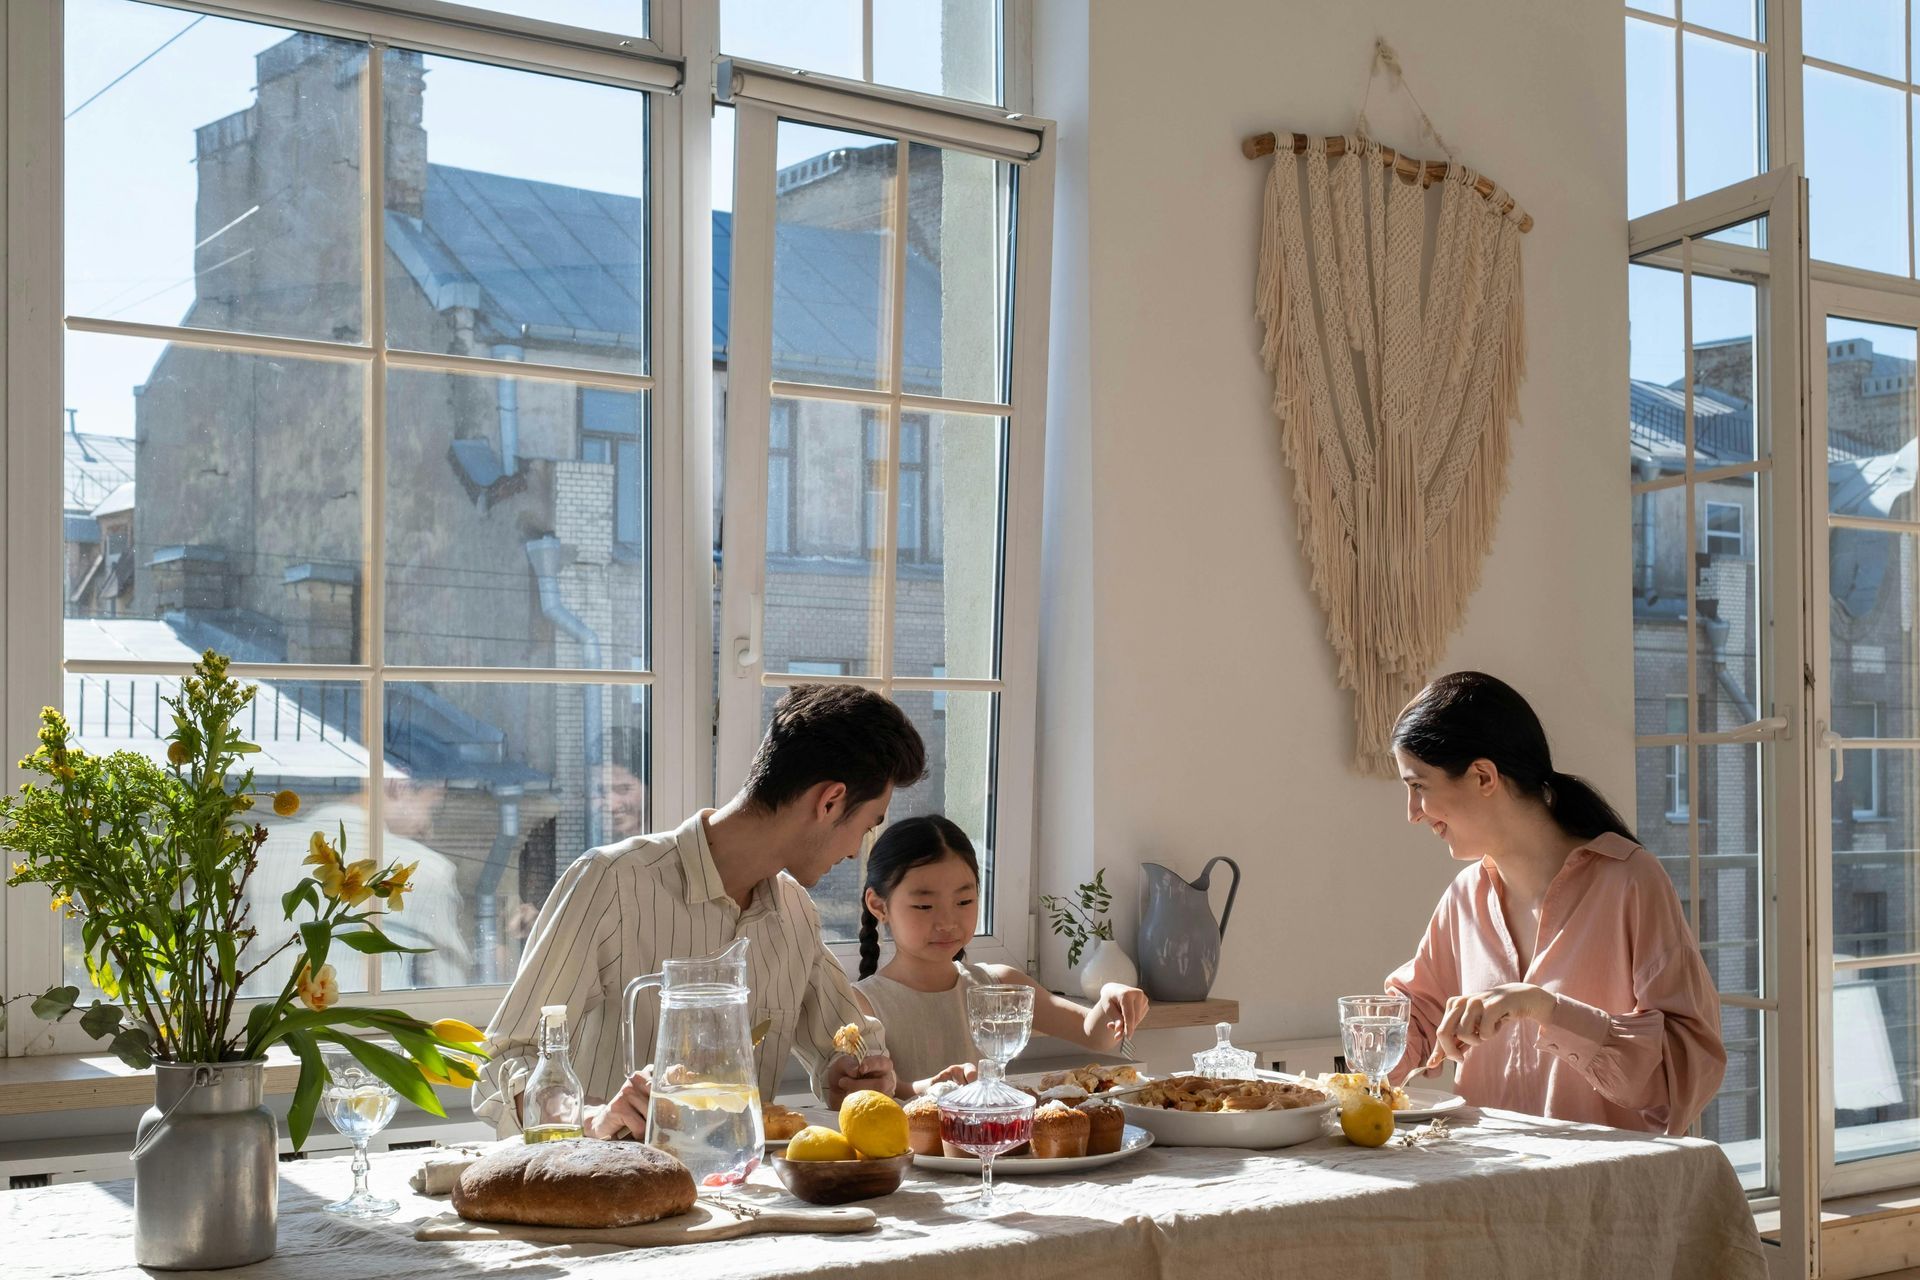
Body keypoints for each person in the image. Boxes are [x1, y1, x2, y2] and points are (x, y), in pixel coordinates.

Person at [472, 684, 923, 1140]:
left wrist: (852, 1075)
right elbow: (505, 1061)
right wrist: (590, 1117)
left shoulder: (794, 914)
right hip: (606, 1188)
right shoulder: (612, 882)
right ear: (829, 802)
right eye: (867, 825)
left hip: (742, 1196)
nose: (854, 853)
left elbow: (847, 1047)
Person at [1383, 671, 1725, 1136]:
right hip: (1485, 1186)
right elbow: (1417, 1017)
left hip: (1602, 1191)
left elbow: (1684, 1072)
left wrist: (1547, 1009)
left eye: (1419, 786)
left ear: (1484, 775)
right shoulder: (1465, 895)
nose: (1411, 813)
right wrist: (1363, 1054)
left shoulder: (1631, 883)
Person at [852, 815, 1149, 1096]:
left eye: (964, 901)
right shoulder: (864, 1003)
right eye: (924, 906)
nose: (947, 922)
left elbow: (1095, 1035)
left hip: (996, 1148)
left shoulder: (998, 985)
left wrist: (1112, 994)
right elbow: (873, 1095)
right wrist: (929, 1086)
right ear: (879, 906)